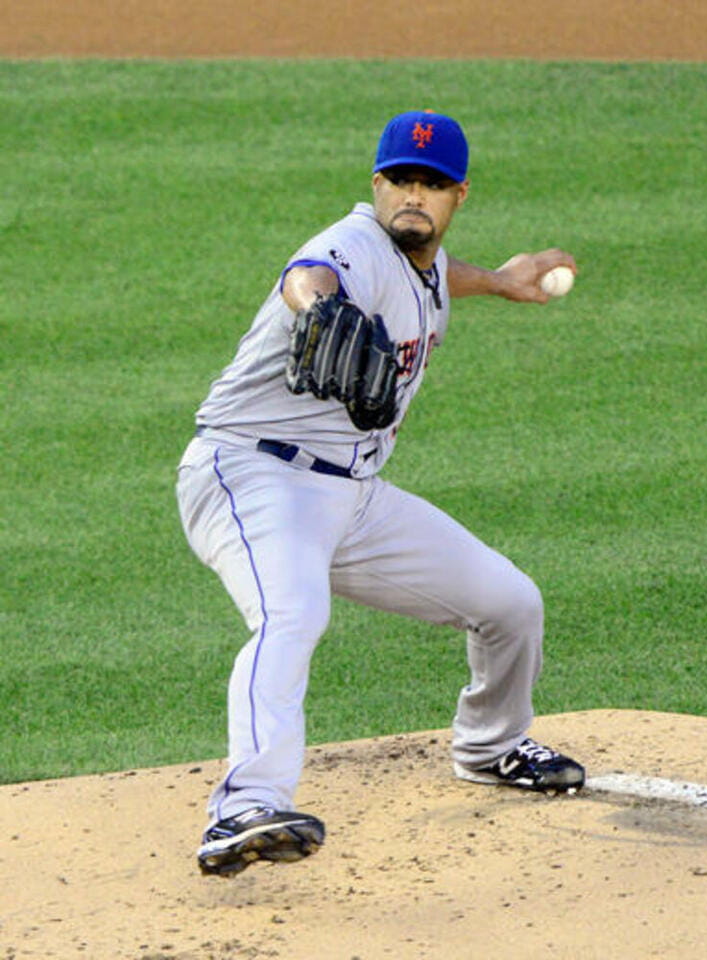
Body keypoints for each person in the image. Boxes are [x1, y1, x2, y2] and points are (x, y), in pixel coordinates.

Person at [176, 109, 585, 878]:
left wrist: (499, 280)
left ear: (458, 194)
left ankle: (490, 745)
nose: (413, 195)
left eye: (431, 184)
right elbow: (311, 275)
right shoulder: (353, 246)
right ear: (377, 184)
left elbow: (434, 274)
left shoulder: (420, 265)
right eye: (400, 179)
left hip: (353, 499)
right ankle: (244, 807)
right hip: (253, 474)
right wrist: (318, 308)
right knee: (292, 613)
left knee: (511, 603)